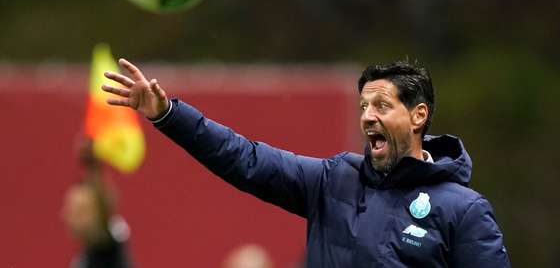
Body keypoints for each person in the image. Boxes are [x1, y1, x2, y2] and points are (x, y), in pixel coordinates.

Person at [102, 58, 511, 267]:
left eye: (382, 105)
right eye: (364, 105)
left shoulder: (463, 210)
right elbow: (244, 158)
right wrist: (168, 114)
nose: (368, 115)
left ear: (418, 116)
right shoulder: (333, 180)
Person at [61, 141, 132, 268]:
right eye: (70, 209)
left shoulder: (110, 247)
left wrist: (93, 166)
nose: (69, 216)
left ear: (99, 212)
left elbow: (103, 230)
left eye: (81, 210)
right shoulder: (86, 255)